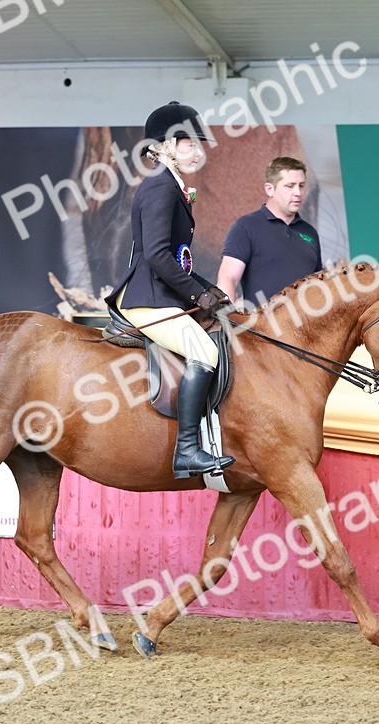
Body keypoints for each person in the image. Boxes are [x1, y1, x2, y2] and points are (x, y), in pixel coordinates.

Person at [106, 101, 235, 479]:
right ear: (162, 147)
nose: (197, 150)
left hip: (163, 294)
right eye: (186, 142)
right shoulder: (160, 188)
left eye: (198, 143)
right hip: (147, 300)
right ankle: (188, 450)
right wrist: (199, 296)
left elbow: (176, 260)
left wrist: (209, 289)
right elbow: (159, 257)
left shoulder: (174, 188)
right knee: (205, 351)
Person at [216, 156, 322, 307]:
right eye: (290, 186)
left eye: (301, 185)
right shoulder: (246, 227)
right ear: (269, 189)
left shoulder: (310, 232)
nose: (298, 192)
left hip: (309, 328)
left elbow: (319, 285)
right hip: (263, 328)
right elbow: (228, 279)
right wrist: (228, 322)